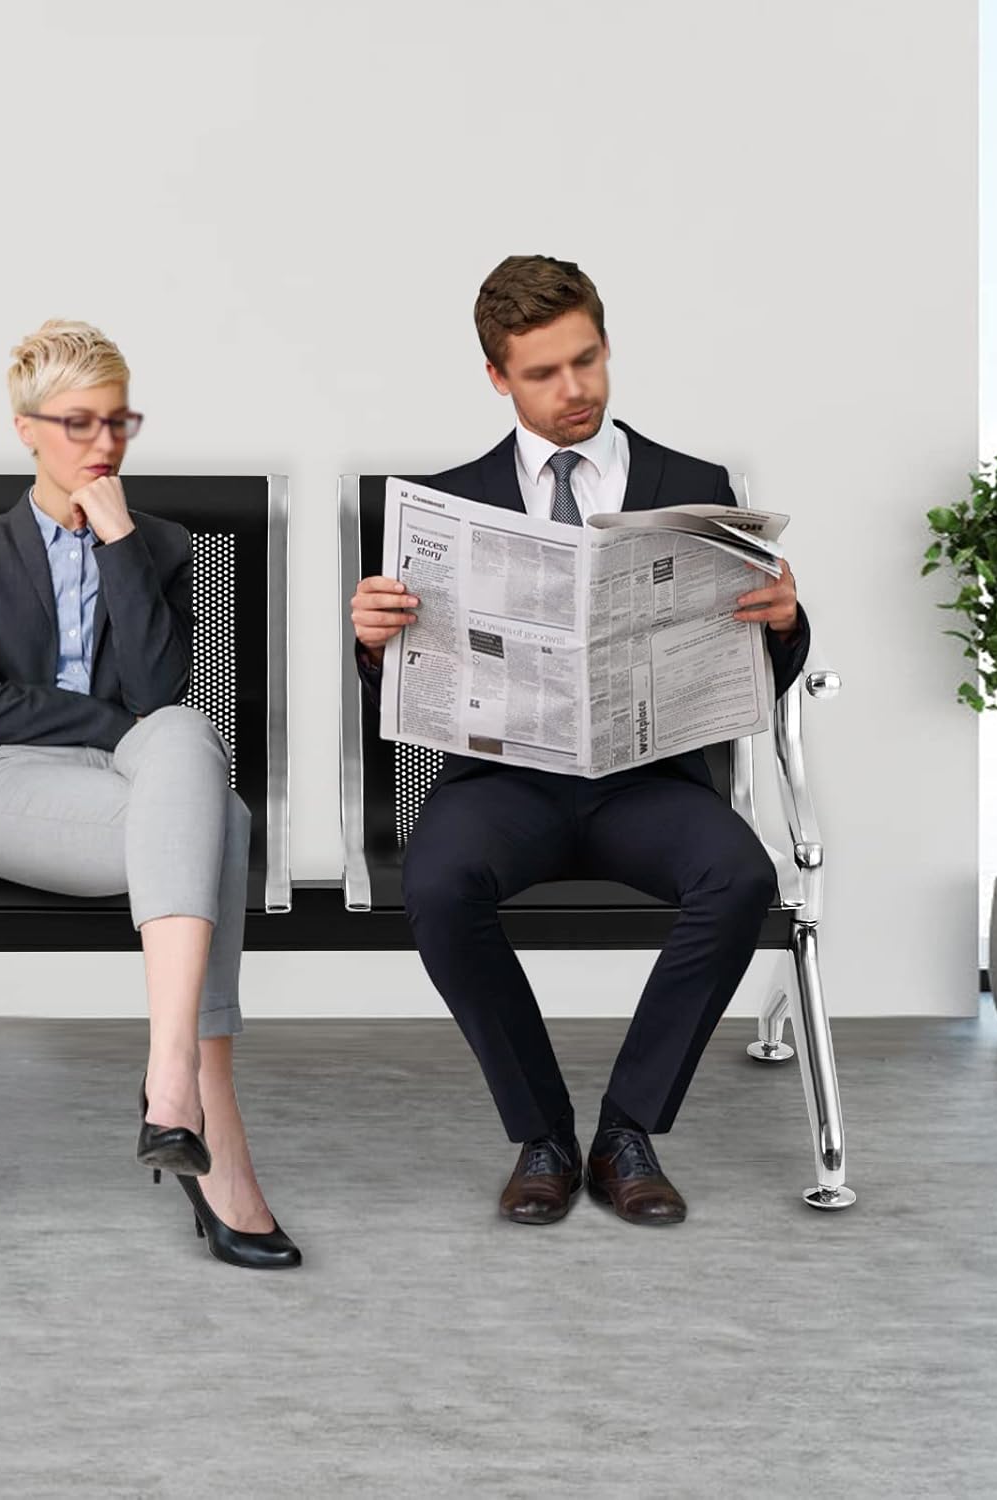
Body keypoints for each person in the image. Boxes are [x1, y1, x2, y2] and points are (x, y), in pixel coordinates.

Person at [351, 257, 810, 1228]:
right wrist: (372, 638)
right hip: (503, 787)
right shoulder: (444, 504)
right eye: (544, 373)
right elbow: (402, 684)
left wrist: (782, 621)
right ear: (497, 379)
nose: (575, 391)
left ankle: (628, 1130)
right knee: (434, 882)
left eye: (588, 360)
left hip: (650, 786)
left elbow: (758, 669)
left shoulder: (695, 486)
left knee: (739, 876)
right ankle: (544, 1136)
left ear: (606, 342)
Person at [0, 319, 299, 1269]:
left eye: (118, 423)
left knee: (185, 734)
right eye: (79, 424)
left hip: (129, 784)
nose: (104, 446)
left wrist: (123, 545)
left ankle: (170, 1081)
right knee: (220, 818)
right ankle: (210, 1124)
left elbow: (163, 690)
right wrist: (112, 727)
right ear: (25, 428)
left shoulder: (158, 545)